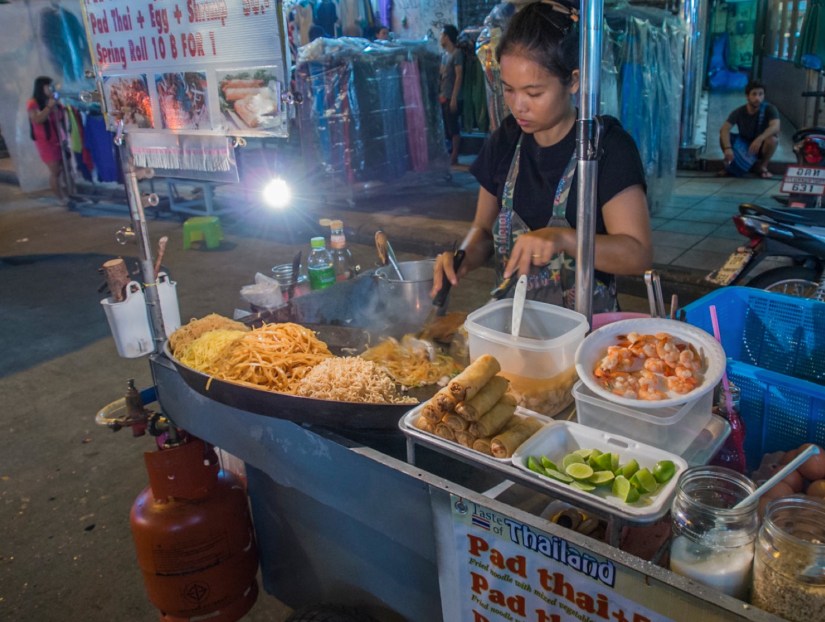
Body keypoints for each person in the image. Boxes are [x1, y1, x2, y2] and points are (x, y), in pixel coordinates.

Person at [431, 2, 652, 314]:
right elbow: (483, 230)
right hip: (513, 328)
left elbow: (637, 254)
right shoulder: (505, 140)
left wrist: (564, 239)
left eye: (533, 93)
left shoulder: (608, 147)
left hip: (585, 331)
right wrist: (462, 258)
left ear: (573, 81)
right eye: (509, 90)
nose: (518, 106)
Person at [719, 79, 780, 179]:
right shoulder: (739, 111)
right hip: (744, 145)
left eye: (760, 94)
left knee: (772, 139)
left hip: (761, 146)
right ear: (747, 96)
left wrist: (760, 138)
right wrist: (727, 148)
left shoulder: (769, 109)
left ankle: (763, 166)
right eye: (754, 94)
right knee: (724, 136)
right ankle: (730, 163)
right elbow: (724, 129)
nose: (757, 98)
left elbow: (775, 126)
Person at [27, 76, 68, 204]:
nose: (51, 89)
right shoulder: (33, 103)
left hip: (58, 139)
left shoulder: (52, 100)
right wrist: (49, 107)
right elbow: (37, 119)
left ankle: (68, 193)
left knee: (63, 169)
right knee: (55, 171)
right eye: (48, 87)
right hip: (45, 142)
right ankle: (60, 198)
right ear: (41, 87)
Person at [439, 24, 464, 166]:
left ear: (447, 37)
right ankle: (449, 152)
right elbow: (442, 74)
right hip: (444, 95)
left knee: (453, 126)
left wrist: (454, 97)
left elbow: (459, 76)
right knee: (447, 126)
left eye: (442, 35)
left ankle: (455, 155)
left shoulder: (457, 54)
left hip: (452, 96)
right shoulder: (445, 55)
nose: (440, 38)